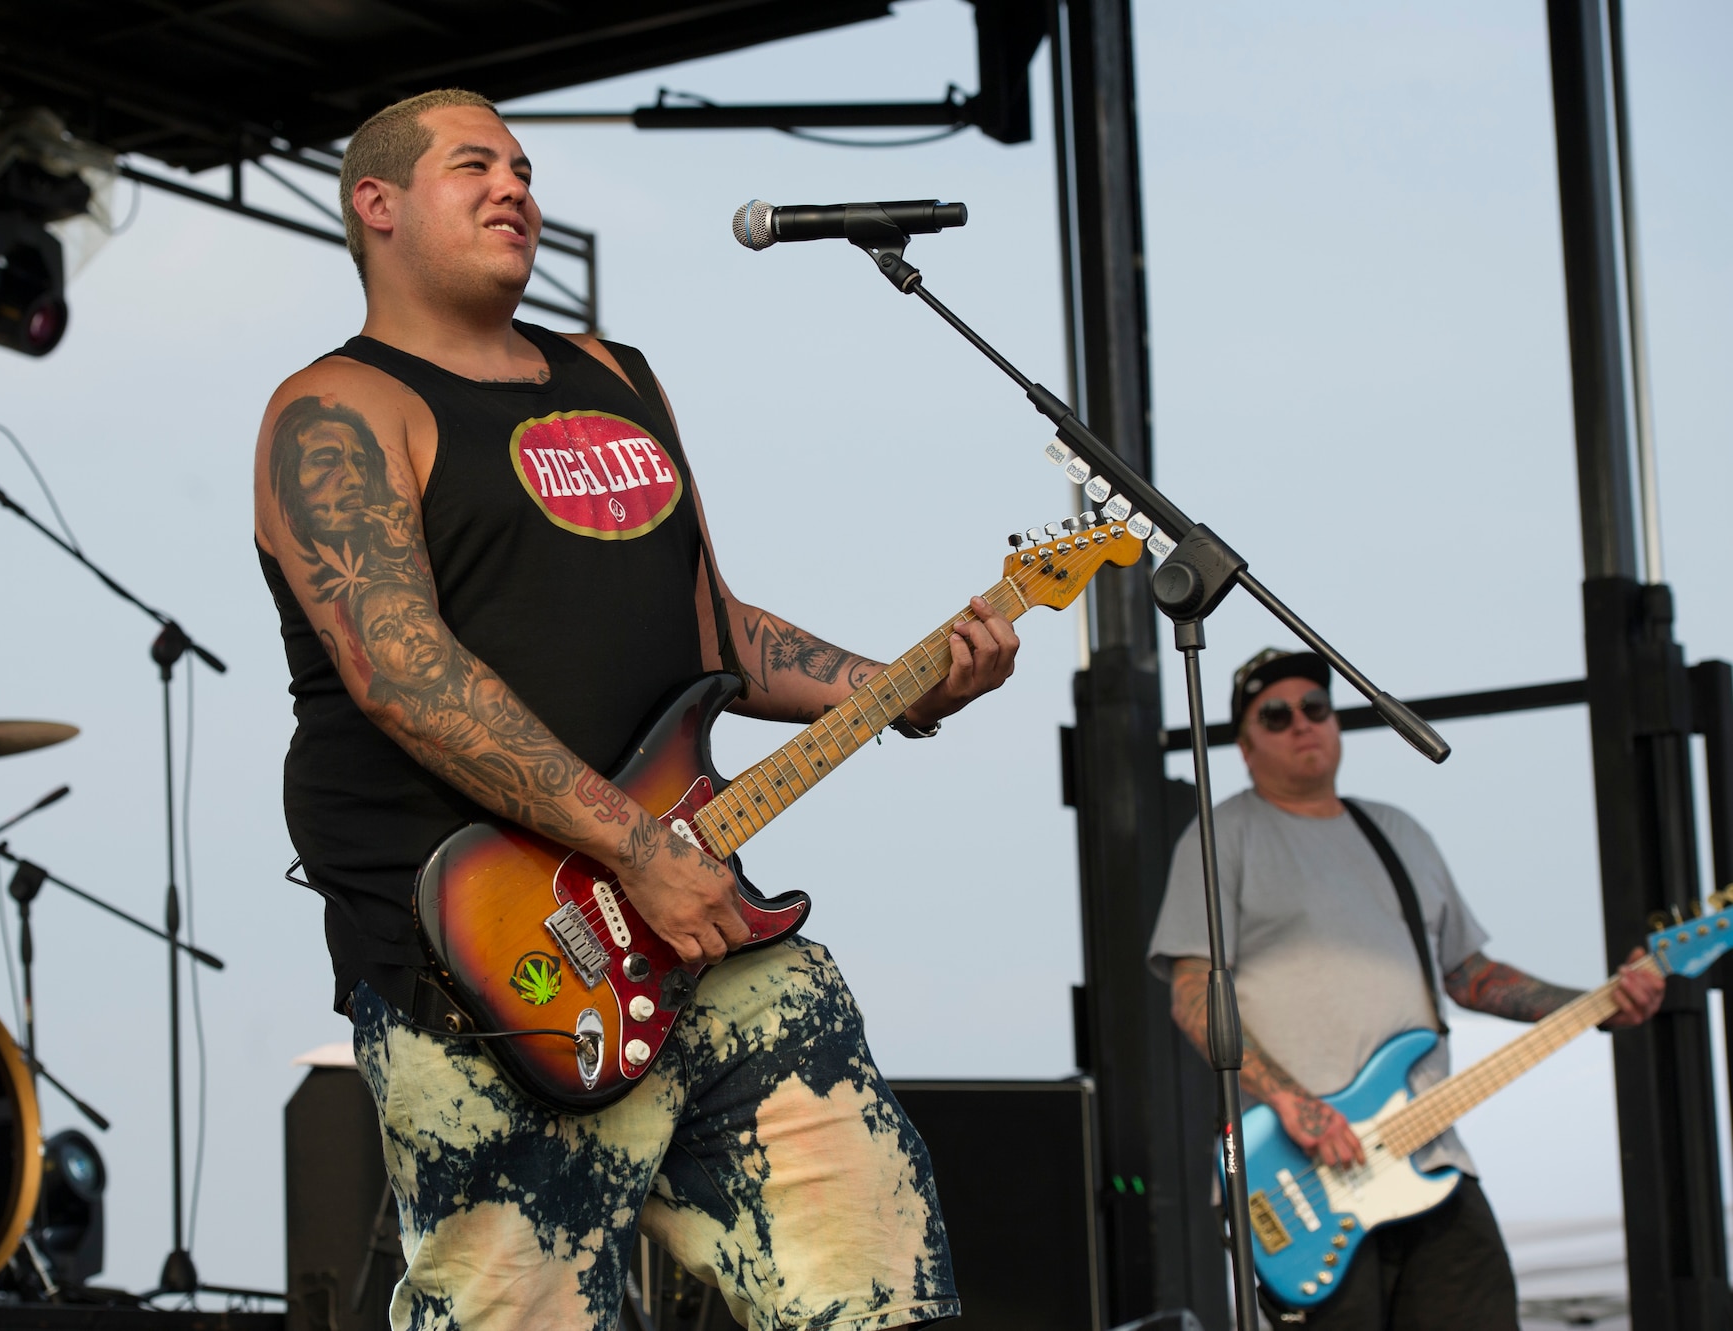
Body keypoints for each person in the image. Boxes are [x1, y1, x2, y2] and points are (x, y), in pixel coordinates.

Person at [252, 88, 1020, 1329]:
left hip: (702, 920)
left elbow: (711, 627)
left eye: (522, 166)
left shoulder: (614, 376)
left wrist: (903, 684)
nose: (514, 187)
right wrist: (630, 847)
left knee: (877, 1287)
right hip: (490, 968)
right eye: (472, 167)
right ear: (376, 205)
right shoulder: (337, 406)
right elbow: (399, 666)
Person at [1146, 647, 1665, 1330]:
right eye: (1276, 714)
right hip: (1301, 1170)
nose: (1302, 722)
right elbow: (1191, 992)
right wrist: (1291, 1101)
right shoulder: (1222, 837)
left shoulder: (1396, 832)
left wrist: (1597, 1004)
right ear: (1245, 747)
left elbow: (1469, 973)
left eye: (1316, 707)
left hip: (1430, 1157)